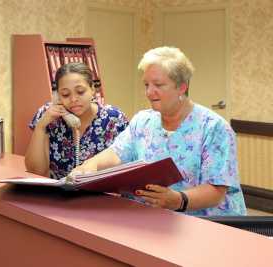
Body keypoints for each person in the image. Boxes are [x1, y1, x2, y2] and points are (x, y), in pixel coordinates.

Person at [71, 47, 246, 216]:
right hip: (151, 220)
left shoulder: (213, 127)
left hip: (206, 227)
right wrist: (90, 166)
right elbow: (117, 153)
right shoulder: (143, 121)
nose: (149, 92)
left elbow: (216, 190)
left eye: (158, 85)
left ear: (182, 87)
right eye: (146, 84)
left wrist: (178, 200)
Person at [25, 62, 128, 179]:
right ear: (57, 95)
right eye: (65, 94)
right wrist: (41, 126)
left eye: (80, 92)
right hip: (57, 194)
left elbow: (125, 166)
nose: (73, 99)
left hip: (101, 193)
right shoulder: (48, 114)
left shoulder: (114, 118)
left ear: (92, 89)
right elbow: (35, 171)